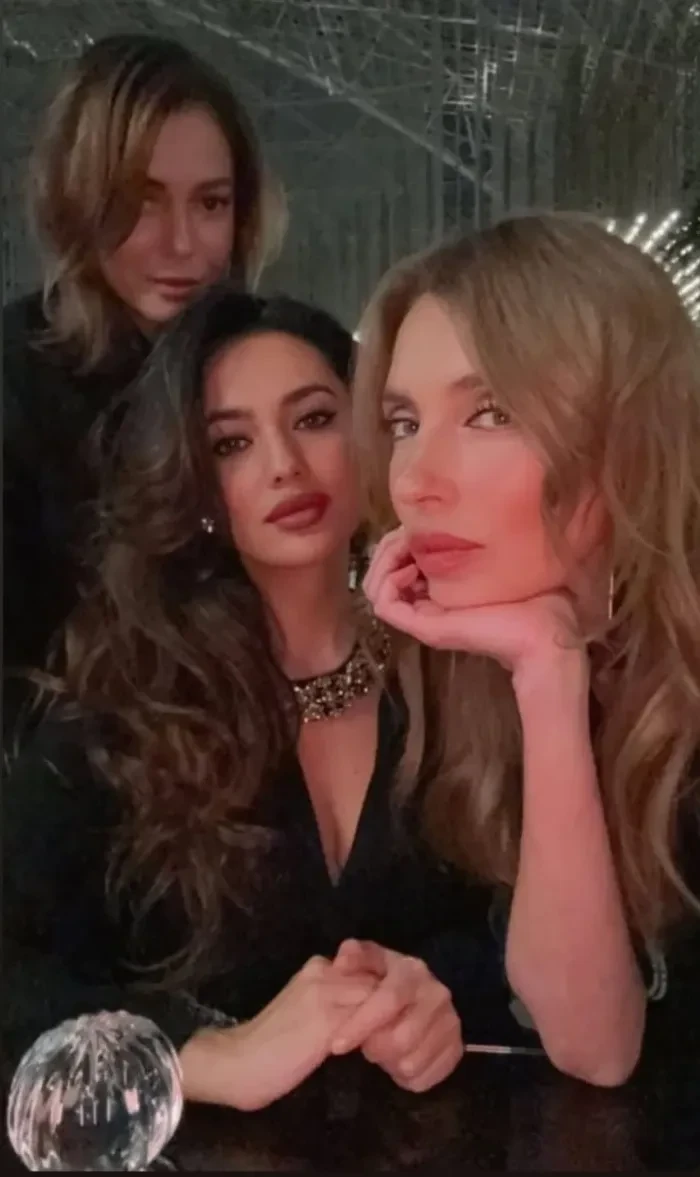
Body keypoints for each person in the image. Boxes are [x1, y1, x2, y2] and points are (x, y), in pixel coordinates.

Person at [4, 287, 509, 1111]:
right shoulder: (126, 709)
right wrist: (204, 1055)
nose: (284, 464)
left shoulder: (459, 671)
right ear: (194, 487)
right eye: (231, 442)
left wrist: (439, 991)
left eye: (314, 418)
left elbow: (535, 942)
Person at [353, 212, 700, 1085]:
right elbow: (587, 1036)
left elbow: (602, 1054)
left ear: (627, 432)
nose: (415, 481)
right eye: (403, 421)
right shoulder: (440, 669)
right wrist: (547, 670)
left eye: (490, 412)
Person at [3, 34, 284, 741]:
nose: (183, 244)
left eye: (211, 203)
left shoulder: (270, 362)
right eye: (143, 203)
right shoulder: (15, 382)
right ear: (78, 203)